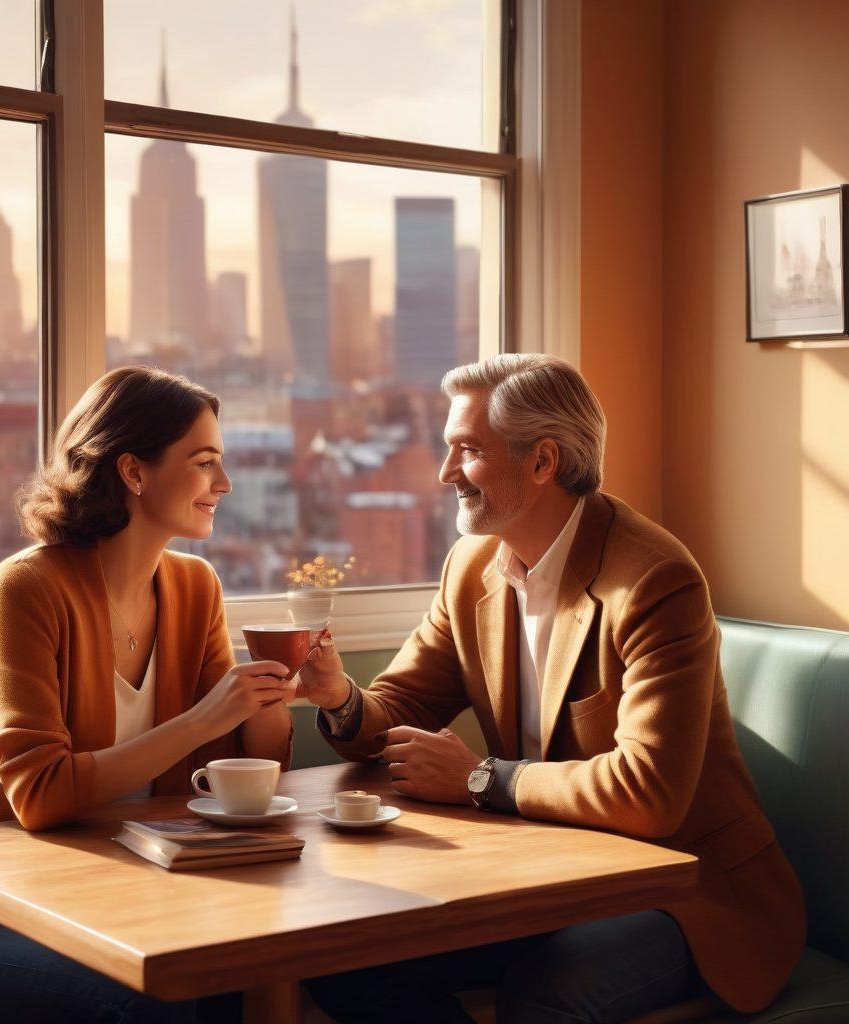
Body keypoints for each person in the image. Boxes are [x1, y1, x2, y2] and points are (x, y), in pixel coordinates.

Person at [298, 353, 805, 1024]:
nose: (445, 473)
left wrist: (481, 778)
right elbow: (400, 708)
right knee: (346, 961)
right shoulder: (473, 566)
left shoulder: (654, 581)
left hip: (691, 891)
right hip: (553, 876)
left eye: (467, 451)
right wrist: (339, 694)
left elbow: (649, 794)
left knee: (546, 996)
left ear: (543, 462)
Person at [0, 367, 296, 1024]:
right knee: (154, 1002)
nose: (225, 484)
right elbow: (40, 797)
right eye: (204, 462)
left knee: (260, 974)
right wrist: (202, 718)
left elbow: (228, 771)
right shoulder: (27, 588)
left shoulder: (195, 587)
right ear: (133, 472)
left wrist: (271, 698)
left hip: (127, 892)